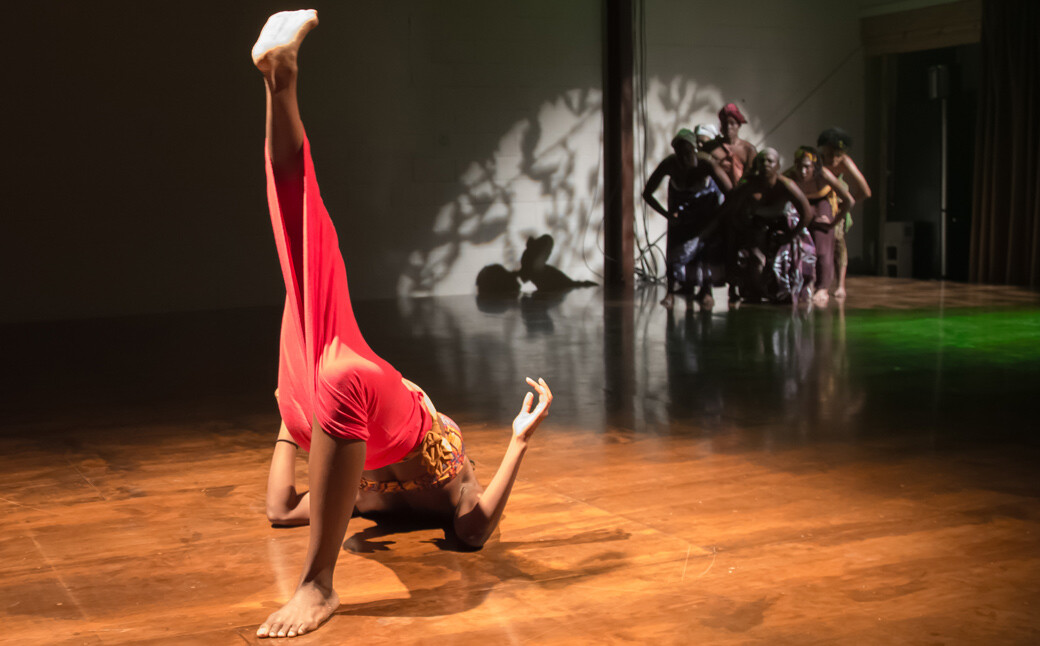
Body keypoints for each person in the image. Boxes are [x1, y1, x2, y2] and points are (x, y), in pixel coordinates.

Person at [251, 11, 553, 639]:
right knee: (303, 257)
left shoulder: (358, 499)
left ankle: (318, 584)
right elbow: (475, 530)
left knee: (304, 264)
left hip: (325, 403)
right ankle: (280, 81)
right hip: (359, 409)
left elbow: (282, 510)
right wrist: (518, 441)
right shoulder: (402, 497)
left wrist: (291, 406)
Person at [642, 129, 732, 309]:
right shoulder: (670, 164)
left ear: (694, 150)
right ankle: (671, 292)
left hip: (707, 206)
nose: (684, 159)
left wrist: (717, 218)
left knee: (706, 247)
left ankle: (707, 290)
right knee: (675, 246)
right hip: (682, 208)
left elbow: (731, 193)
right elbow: (647, 194)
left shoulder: (706, 164)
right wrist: (667, 215)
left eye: (688, 153)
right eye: (680, 154)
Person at [724, 148, 815, 304]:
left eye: (770, 161)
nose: (765, 164)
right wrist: (744, 228)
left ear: (778, 165)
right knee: (754, 258)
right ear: (756, 165)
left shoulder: (786, 184)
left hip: (784, 224)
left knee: (784, 258)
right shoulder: (748, 185)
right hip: (756, 224)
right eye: (761, 161)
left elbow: (807, 213)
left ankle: (783, 291)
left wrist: (790, 235)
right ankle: (753, 291)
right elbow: (733, 210)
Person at [783, 146, 855, 306]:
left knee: (822, 243)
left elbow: (849, 201)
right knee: (798, 244)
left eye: (807, 167)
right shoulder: (789, 175)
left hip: (823, 204)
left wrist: (833, 223)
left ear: (814, 167)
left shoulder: (823, 175)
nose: (802, 171)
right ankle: (802, 282)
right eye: (799, 166)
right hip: (802, 205)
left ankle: (823, 287)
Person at [816, 128, 871, 300]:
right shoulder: (816, 161)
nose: (833, 158)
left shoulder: (845, 162)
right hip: (819, 203)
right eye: (830, 153)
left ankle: (840, 285)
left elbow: (865, 191)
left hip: (838, 204)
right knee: (819, 243)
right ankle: (818, 284)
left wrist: (845, 204)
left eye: (838, 154)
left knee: (838, 242)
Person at [706, 103, 757, 186]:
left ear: (738, 125)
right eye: (725, 123)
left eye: (732, 123)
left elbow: (751, 177)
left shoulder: (748, 150)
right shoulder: (712, 146)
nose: (728, 127)